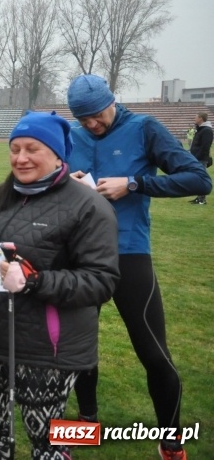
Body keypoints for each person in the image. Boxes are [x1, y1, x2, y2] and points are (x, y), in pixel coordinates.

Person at [0, 111, 119, 460]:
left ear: (57, 154)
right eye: (15, 148)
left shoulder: (89, 206)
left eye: (32, 148)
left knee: (48, 442)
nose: (21, 158)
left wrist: (34, 281)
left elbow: (102, 281)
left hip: (47, 351)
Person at [66, 74, 211, 460]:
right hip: (80, 258)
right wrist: (68, 182)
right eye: (84, 120)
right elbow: (43, 180)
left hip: (128, 254)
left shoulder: (144, 128)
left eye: (96, 116)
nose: (92, 125)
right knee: (77, 349)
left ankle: (171, 442)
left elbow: (199, 180)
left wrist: (133, 184)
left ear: (111, 101)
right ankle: (86, 423)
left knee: (153, 353)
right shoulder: (71, 135)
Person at [188, 111, 212, 204]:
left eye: (196, 117)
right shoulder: (201, 129)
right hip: (197, 157)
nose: (195, 118)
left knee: (201, 177)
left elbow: (205, 146)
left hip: (200, 158)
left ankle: (202, 199)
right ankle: (199, 197)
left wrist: (197, 157)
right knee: (198, 177)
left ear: (201, 118)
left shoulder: (206, 130)